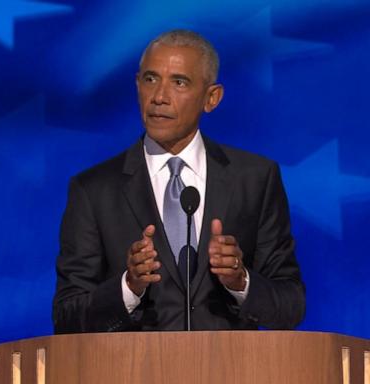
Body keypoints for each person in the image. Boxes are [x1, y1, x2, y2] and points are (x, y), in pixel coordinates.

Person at [52, 30, 305, 333]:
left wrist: (241, 281)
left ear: (212, 98)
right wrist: (128, 286)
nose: (159, 97)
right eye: (150, 79)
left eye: (179, 82)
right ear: (137, 85)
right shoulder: (93, 190)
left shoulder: (255, 179)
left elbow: (291, 306)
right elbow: (67, 317)